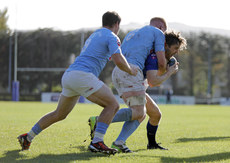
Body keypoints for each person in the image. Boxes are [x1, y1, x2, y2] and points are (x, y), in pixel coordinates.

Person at [17, 11, 138, 155]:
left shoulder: (95, 35)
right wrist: (131, 70)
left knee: (59, 114)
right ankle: (97, 142)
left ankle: (28, 136)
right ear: (117, 24)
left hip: (69, 75)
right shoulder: (112, 36)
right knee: (113, 105)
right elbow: (118, 59)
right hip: (82, 76)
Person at [89, 30, 187, 153]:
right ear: (165, 45)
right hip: (129, 75)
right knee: (139, 112)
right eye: (175, 48)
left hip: (127, 76)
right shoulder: (153, 56)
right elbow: (153, 82)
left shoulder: (154, 53)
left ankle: (120, 142)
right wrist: (169, 72)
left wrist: (165, 69)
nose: (176, 52)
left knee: (150, 113)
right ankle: (99, 121)